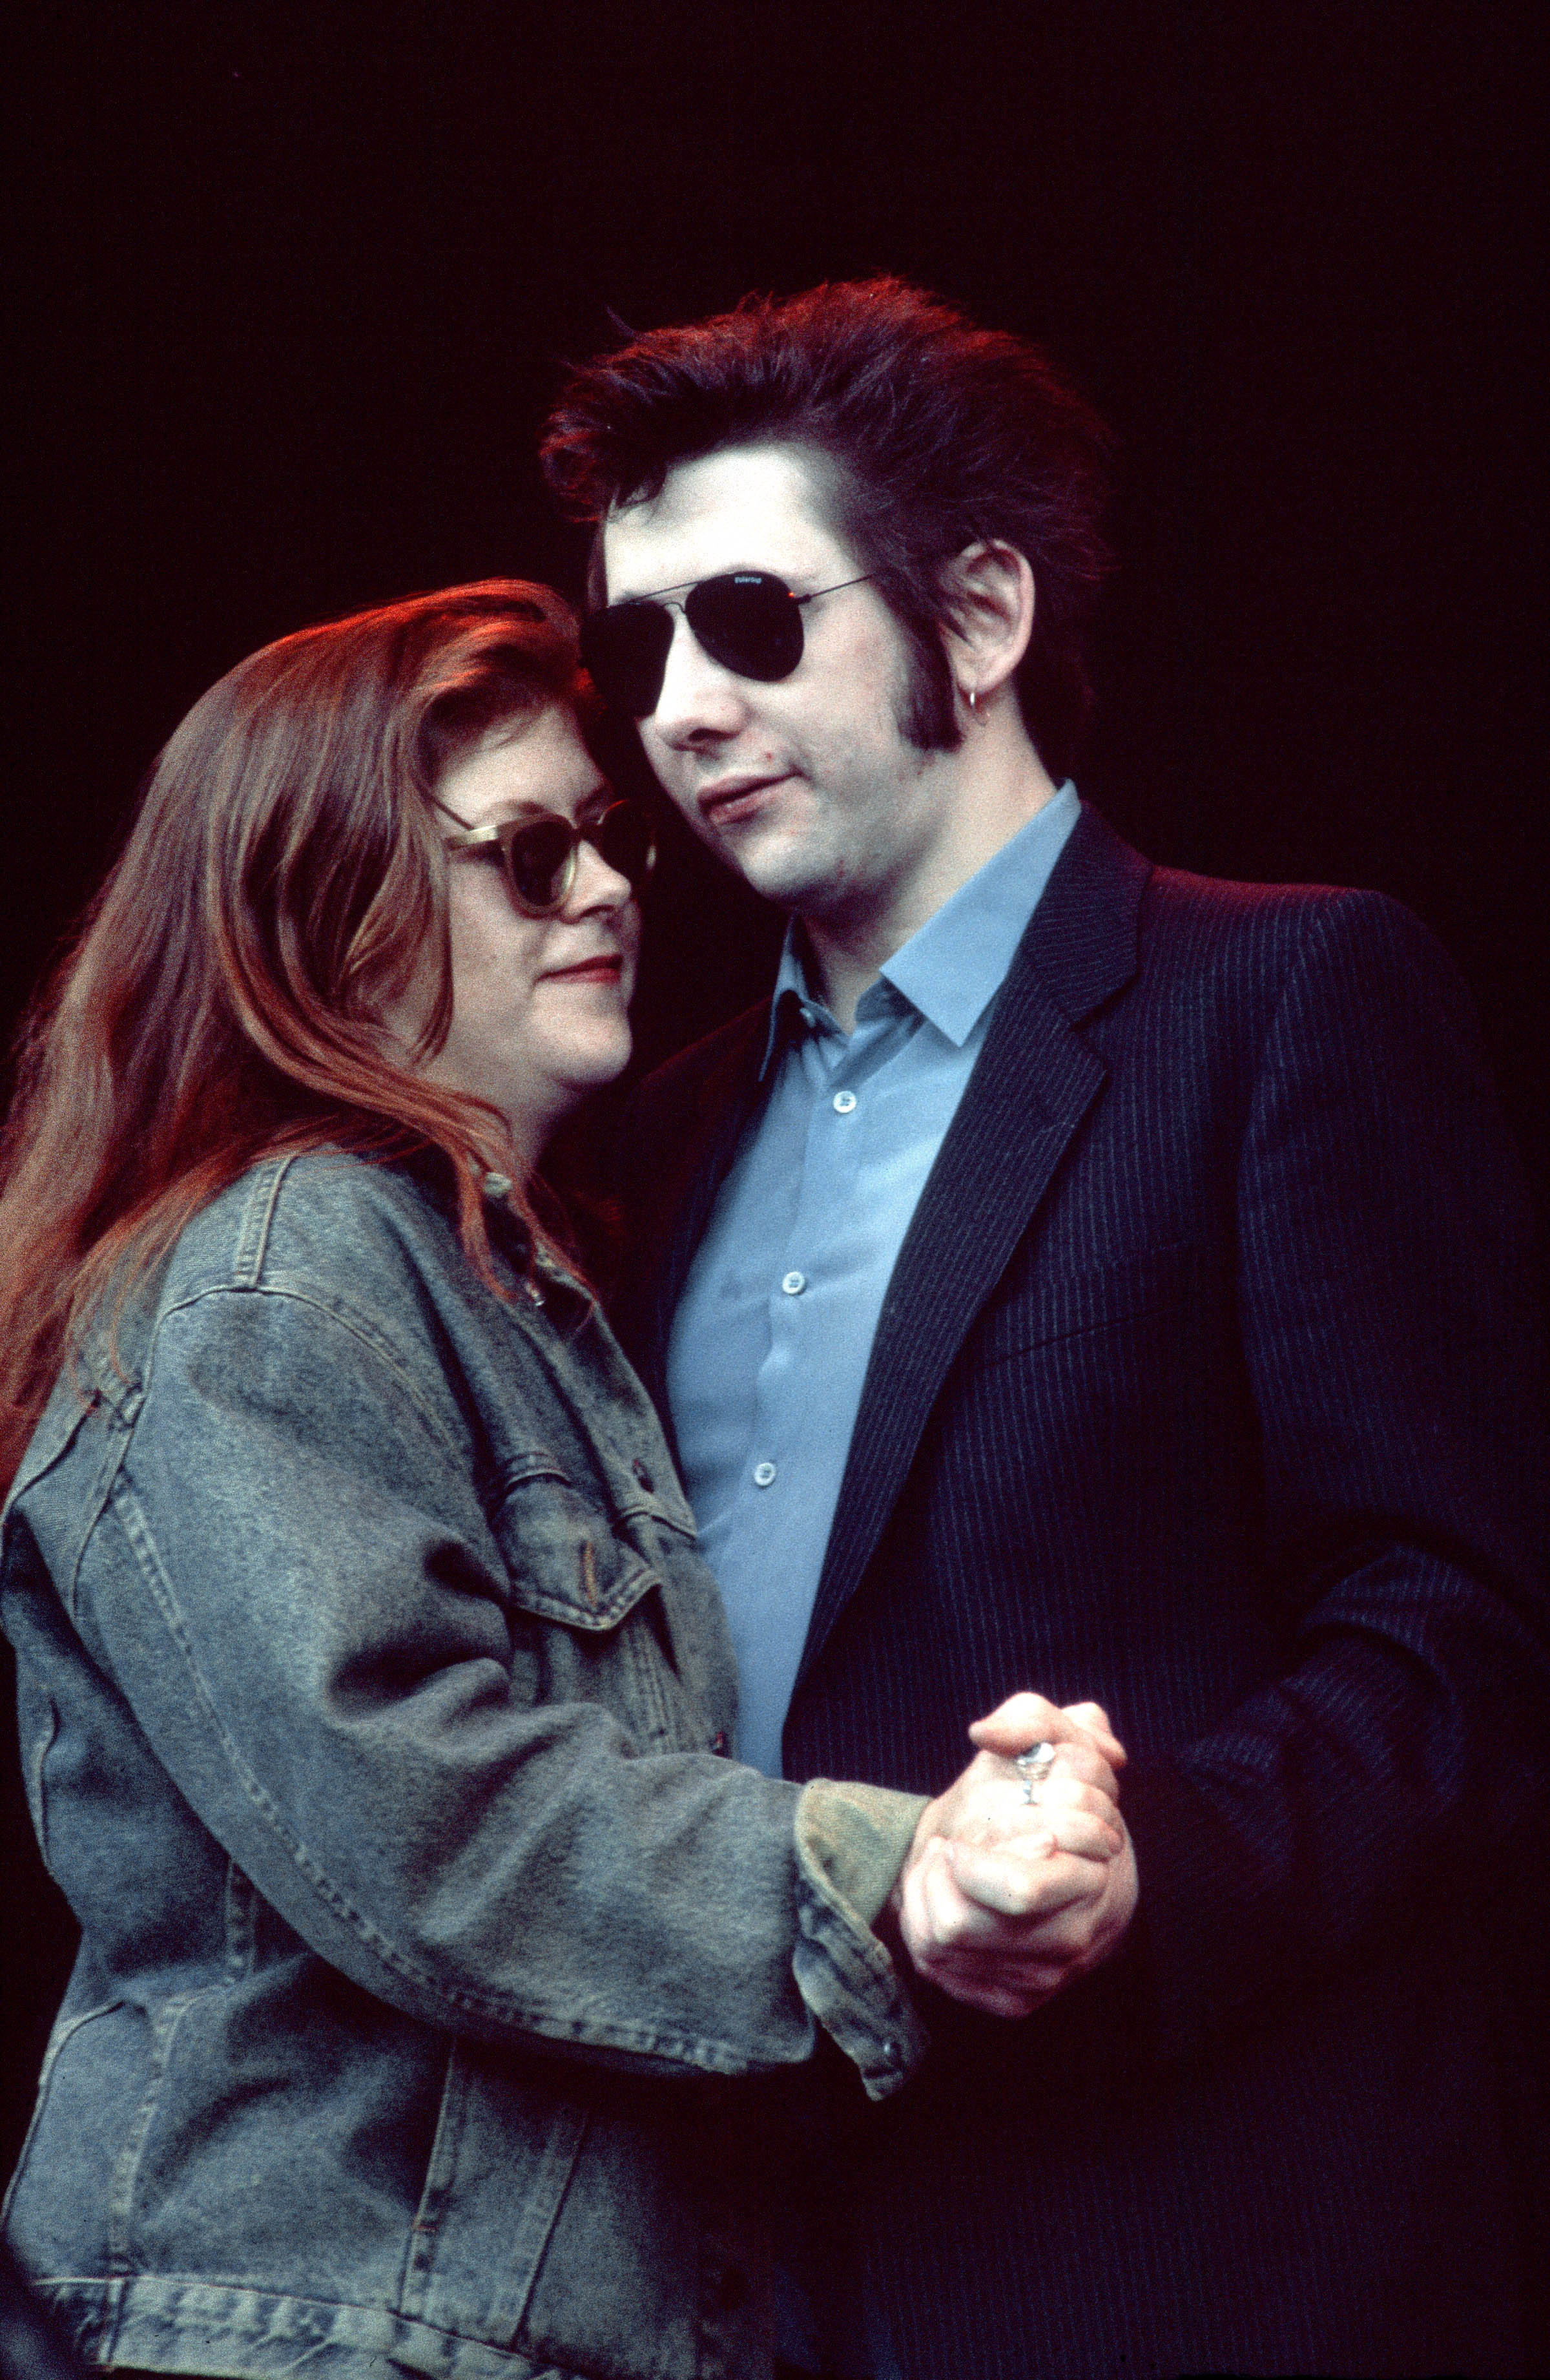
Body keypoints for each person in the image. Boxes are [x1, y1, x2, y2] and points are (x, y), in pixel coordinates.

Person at [541, 280, 1550, 2379]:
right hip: (727, 2269)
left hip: (1165, 2257)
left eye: (744, 617)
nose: (675, 710)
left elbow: (1460, 1626)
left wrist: (1139, 1864)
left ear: (979, 617)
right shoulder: (654, 1120)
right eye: (635, 647)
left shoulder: (1283, 1003)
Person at [0, 579, 1132, 2380]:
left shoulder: (504, 1276)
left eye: (604, 840)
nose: (612, 887)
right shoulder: (285, 1263)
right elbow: (428, 1815)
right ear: (329, 907)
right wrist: (885, 1866)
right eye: (528, 857)